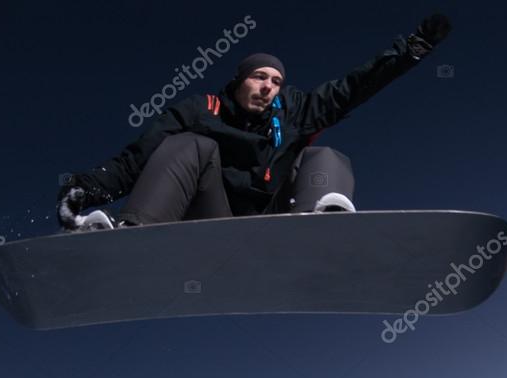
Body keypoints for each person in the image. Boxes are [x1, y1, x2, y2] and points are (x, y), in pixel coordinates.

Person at [57, 13, 452, 232]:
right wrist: (86, 189)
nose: (268, 88)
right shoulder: (201, 109)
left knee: (323, 154)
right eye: (259, 78)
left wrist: (409, 52)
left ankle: (325, 230)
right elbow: (138, 156)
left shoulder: (294, 111)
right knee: (191, 145)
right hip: (211, 219)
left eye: (276, 81)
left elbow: (354, 87)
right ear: (240, 80)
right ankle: (136, 233)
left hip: (273, 221)